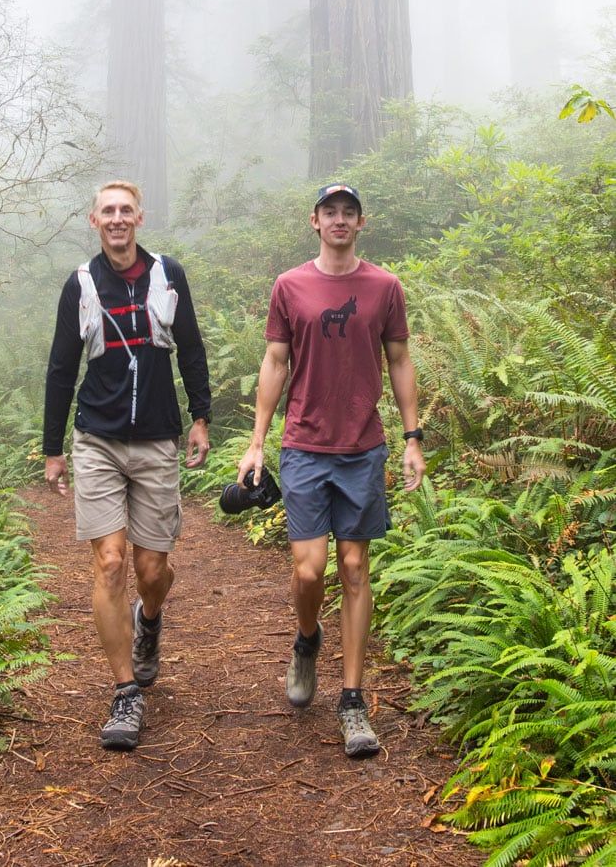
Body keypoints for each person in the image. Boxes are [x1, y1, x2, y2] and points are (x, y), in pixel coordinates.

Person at [237, 182, 425, 758]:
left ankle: (352, 701)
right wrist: (257, 442)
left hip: (363, 447)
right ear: (314, 221)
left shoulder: (384, 286)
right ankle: (307, 639)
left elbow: (398, 360)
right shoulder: (290, 286)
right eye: (330, 212)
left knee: (353, 564)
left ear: (360, 222)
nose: (339, 220)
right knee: (310, 569)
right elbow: (274, 361)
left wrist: (413, 437)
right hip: (304, 445)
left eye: (348, 212)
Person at [43, 181, 211, 751]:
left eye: (125, 211)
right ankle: (124, 694)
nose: (117, 220)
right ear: (94, 220)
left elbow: (191, 347)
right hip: (98, 441)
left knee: (151, 569)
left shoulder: (169, 274)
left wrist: (201, 418)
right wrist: (53, 448)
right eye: (107, 211)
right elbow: (61, 368)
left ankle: (150, 618)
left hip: (159, 439)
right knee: (110, 563)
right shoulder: (82, 285)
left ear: (140, 217)